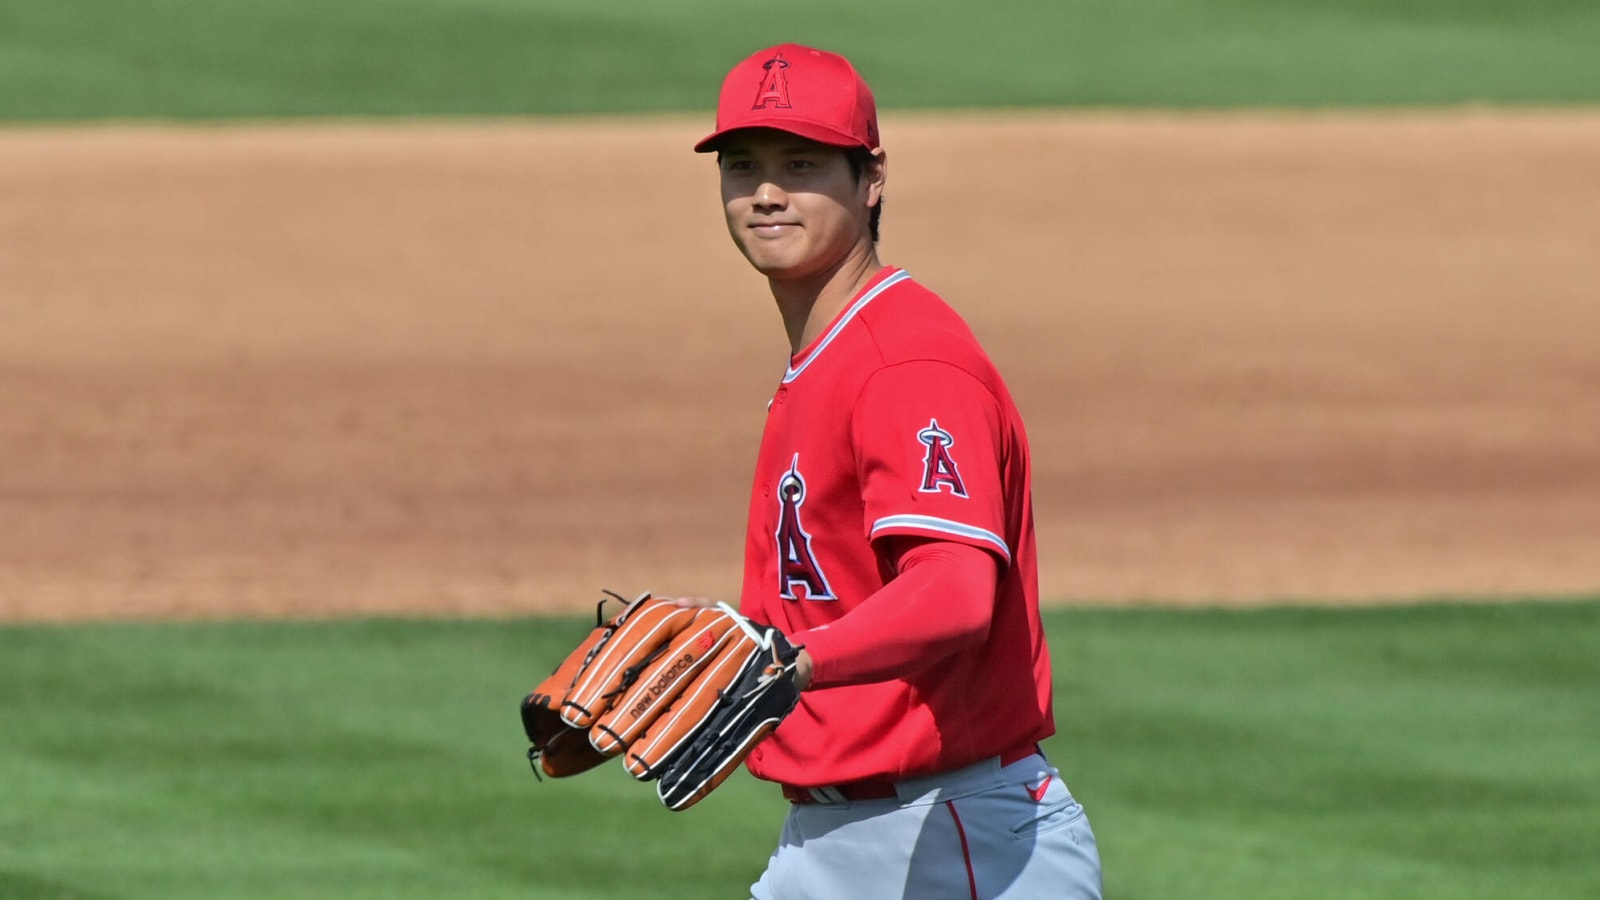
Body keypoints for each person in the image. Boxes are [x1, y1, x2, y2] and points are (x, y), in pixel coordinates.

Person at [691, 43, 1104, 899]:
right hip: (836, 838)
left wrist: (793, 663)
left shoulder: (900, 362)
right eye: (743, 166)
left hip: (953, 839)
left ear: (869, 178)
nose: (766, 192)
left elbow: (955, 590)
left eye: (800, 164)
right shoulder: (827, 356)